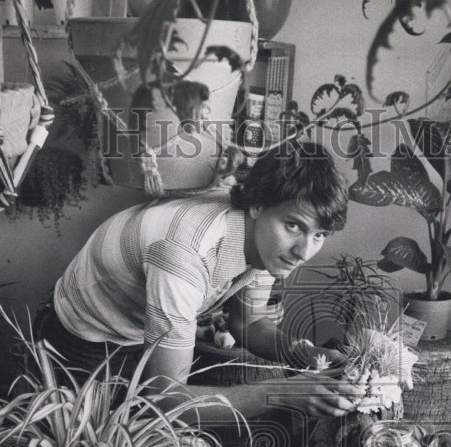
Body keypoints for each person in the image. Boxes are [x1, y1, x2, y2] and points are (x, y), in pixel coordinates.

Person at [35, 141, 364, 430]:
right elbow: (166, 401)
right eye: (294, 226)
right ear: (258, 206)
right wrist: (285, 393)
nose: (304, 251)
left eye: (319, 234)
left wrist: (312, 357)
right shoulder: (185, 254)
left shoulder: (264, 239)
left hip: (139, 330)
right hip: (83, 338)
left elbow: (247, 323)